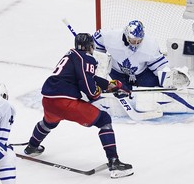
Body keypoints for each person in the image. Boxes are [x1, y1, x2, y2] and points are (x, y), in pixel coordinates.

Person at [24, 33, 133, 179]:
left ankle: (32, 147)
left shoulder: (71, 55)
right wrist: (98, 92)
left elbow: (90, 77)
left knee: (48, 122)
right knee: (104, 120)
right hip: (65, 102)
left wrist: (110, 85)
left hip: (49, 100)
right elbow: (90, 91)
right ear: (90, 46)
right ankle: (114, 163)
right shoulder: (86, 58)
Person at [93, 20, 190, 90]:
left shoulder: (150, 44)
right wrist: (100, 65)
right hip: (116, 72)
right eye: (133, 40)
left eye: (139, 41)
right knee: (114, 88)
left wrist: (168, 79)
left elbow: (159, 66)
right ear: (126, 35)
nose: (136, 44)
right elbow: (97, 40)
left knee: (152, 86)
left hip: (140, 75)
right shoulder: (112, 36)